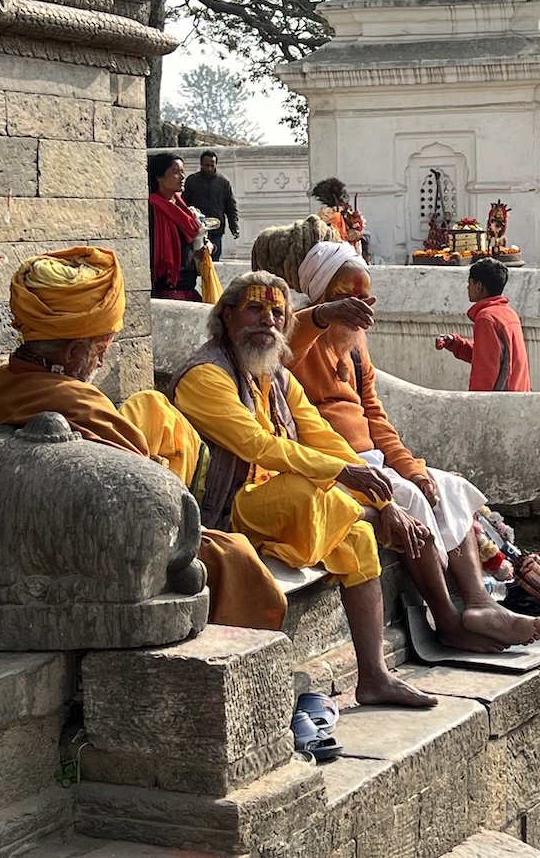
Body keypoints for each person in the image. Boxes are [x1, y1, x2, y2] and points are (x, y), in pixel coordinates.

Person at [250, 229, 540, 651]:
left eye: (364, 297)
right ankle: (447, 619)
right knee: (407, 498)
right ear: (323, 297)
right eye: (346, 297)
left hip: (374, 458)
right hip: (335, 465)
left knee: (447, 487)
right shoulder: (301, 333)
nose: (359, 307)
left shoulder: (356, 346)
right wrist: (324, 315)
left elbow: (375, 416)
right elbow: (284, 349)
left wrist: (411, 467)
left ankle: (480, 603)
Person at [0, 245, 286, 632]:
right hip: (93, 552)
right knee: (235, 554)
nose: (102, 360)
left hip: (38, 538)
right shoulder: (81, 403)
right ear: (74, 352)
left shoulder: (1, 382)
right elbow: (148, 499)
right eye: (101, 348)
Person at [171, 270, 438, 708]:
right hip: (227, 513)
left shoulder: (277, 376)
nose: (268, 321)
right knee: (309, 490)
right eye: (255, 309)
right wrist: (357, 488)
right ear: (226, 316)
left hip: (276, 504)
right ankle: (370, 516)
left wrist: (382, 496)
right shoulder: (205, 376)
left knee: (357, 537)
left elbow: (323, 438)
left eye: (277, 313)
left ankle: (374, 676)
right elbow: (258, 446)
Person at [437, 257, 531, 392]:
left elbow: (486, 370)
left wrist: (476, 401)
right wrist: (456, 344)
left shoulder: (486, 318)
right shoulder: (509, 313)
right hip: (519, 395)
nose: (468, 287)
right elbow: (488, 354)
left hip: (500, 400)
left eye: (470, 283)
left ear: (479, 287)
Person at [148, 152, 206, 302]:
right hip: (165, 287)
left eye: (182, 172)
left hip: (188, 285)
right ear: (159, 176)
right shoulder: (151, 209)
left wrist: (204, 247)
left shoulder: (184, 208)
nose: (182, 177)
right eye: (175, 172)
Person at [183, 150, 239, 262]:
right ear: (201, 164)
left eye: (212, 165)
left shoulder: (223, 182)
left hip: (216, 231)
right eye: (206, 165)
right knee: (196, 262)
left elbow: (230, 206)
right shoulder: (192, 181)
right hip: (196, 231)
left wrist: (234, 227)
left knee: (214, 263)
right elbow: (184, 205)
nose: (209, 168)